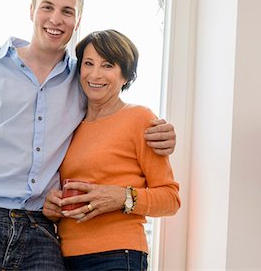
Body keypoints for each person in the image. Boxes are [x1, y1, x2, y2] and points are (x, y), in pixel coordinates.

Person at [0, 0, 176, 270]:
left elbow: (116, 108)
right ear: (31, 10)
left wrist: (163, 131)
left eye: (67, 11)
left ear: (78, 20)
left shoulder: (82, 81)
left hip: (38, 229)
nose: (56, 19)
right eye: (47, 7)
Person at [43, 29, 181, 271]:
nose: (95, 74)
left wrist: (122, 197)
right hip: (63, 256)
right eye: (88, 63)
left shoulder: (140, 119)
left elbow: (170, 199)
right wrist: (52, 208)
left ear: (125, 75)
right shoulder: (69, 124)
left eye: (107, 65)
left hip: (118, 256)